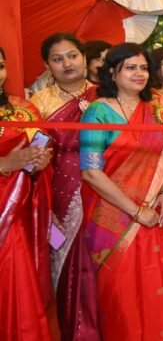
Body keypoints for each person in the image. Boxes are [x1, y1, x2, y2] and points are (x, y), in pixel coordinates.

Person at [80, 43, 163, 339]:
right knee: (120, 296)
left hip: (153, 213)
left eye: (144, 68)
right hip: (112, 218)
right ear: (113, 71)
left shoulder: (156, 110)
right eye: (131, 67)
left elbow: (162, 155)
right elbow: (91, 172)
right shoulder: (97, 112)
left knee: (155, 287)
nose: (139, 74)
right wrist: (137, 212)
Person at [29, 33, 100, 341]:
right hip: (58, 194)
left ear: (84, 57)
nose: (67, 64)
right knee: (67, 260)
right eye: (57, 59)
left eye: (72, 55)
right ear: (47, 66)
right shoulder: (38, 103)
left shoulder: (105, 96)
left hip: (106, 190)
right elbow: (34, 153)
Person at [0, 46, 54, 340]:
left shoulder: (23, 108)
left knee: (14, 279)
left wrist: (38, 163)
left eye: (0, 66)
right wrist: (4, 164)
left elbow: (39, 146)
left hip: (13, 207)